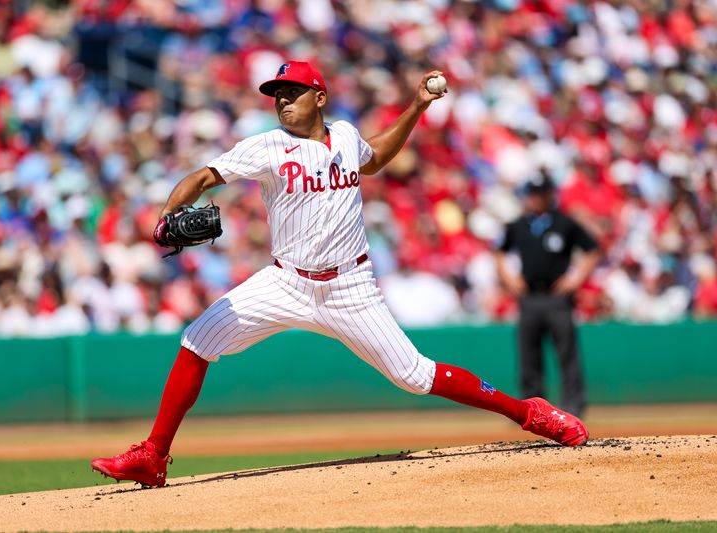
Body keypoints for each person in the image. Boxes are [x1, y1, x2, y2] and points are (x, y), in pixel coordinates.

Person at [91, 62, 589, 488]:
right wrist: (164, 220)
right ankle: (154, 455)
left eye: (292, 92)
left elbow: (376, 158)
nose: (282, 101)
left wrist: (416, 106)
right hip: (285, 281)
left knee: (415, 376)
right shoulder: (267, 147)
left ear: (320, 96)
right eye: (277, 95)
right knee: (197, 339)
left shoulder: (347, 136)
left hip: (351, 287)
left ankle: (529, 413)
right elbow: (202, 177)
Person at [495, 175, 600, 418]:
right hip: (530, 297)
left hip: (557, 298)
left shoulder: (564, 223)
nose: (537, 198)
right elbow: (499, 252)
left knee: (567, 353)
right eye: (533, 193)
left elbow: (592, 250)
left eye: (541, 193)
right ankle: (531, 408)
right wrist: (509, 279)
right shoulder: (518, 225)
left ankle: (574, 404)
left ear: (550, 194)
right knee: (528, 355)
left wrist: (576, 278)